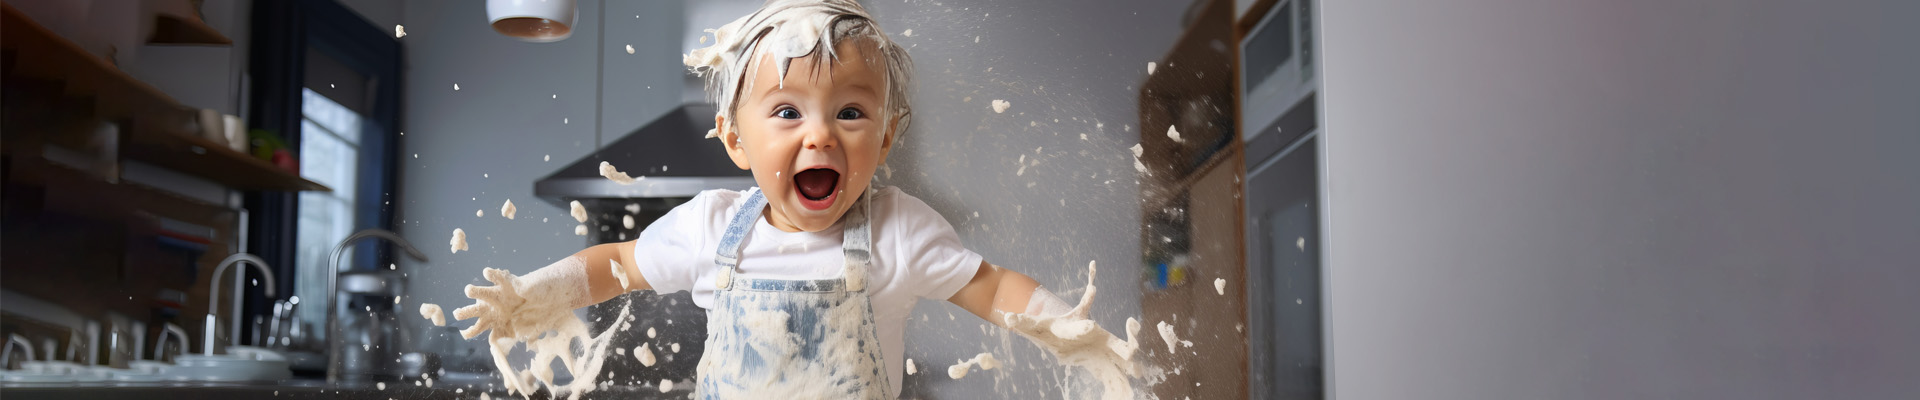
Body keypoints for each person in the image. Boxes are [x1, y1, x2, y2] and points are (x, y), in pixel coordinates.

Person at [452, 1, 1135, 398]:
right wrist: (535, 293)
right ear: (734, 141)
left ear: (887, 136)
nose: (820, 135)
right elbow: (621, 265)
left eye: (850, 113)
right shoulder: (713, 227)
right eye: (786, 113)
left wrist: (1067, 327)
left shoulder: (898, 231)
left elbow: (988, 286)